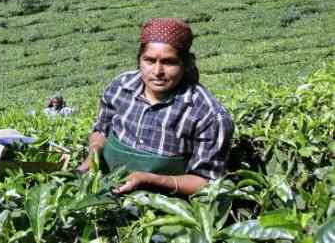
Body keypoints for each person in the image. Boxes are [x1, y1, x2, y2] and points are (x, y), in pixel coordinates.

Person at [77, 18, 234, 195]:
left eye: (169, 62)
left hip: (162, 207)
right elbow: (101, 131)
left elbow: (207, 182)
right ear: (139, 60)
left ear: (186, 63)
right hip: (105, 192)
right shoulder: (120, 86)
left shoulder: (208, 115)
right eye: (150, 60)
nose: (158, 71)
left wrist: (150, 179)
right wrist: (93, 155)